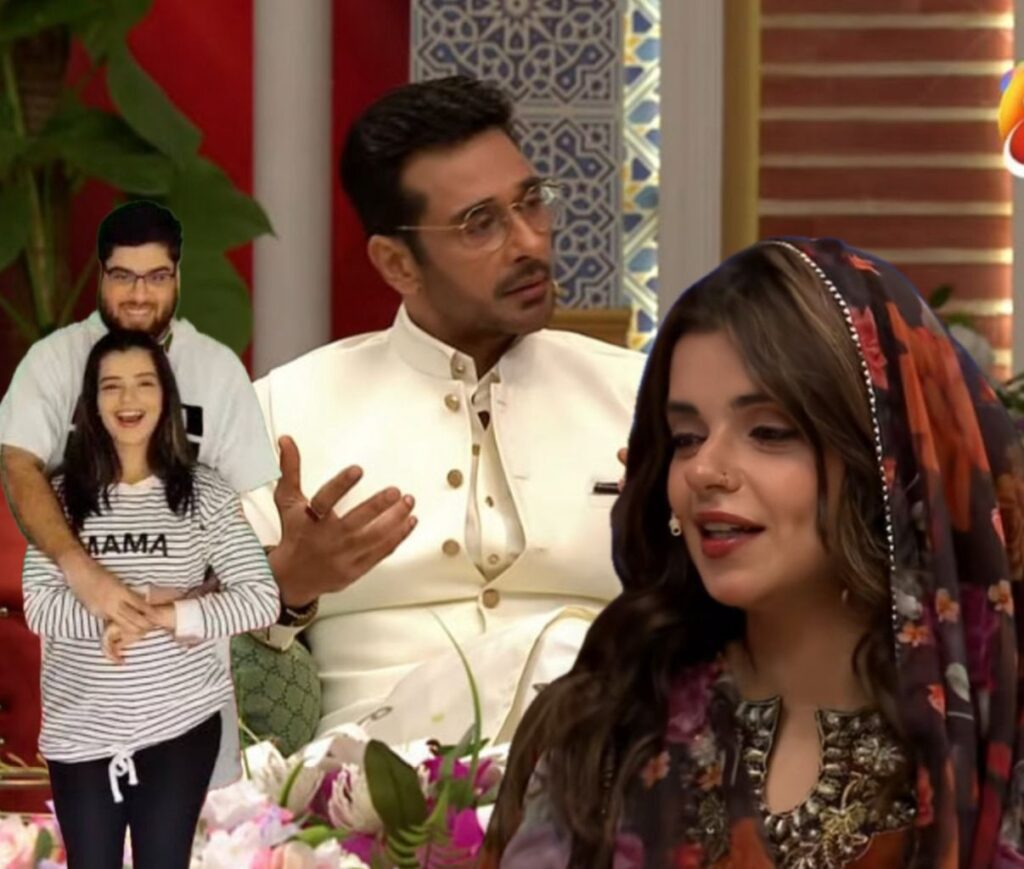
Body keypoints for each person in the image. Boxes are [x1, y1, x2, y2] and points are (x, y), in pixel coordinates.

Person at [485, 238, 1024, 867]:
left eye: (768, 432)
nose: (704, 469)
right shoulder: (603, 730)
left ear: (885, 464)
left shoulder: (994, 734)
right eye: (686, 437)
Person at [242, 75, 646, 743]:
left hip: (601, 760)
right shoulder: (287, 410)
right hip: (379, 774)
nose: (529, 243)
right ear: (397, 263)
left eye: (532, 203)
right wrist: (288, 583)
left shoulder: (641, 397)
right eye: (481, 223)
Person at [22, 329, 280, 869]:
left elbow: (260, 599)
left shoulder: (204, 493)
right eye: (111, 386)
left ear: (166, 396)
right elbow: (41, 606)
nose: (128, 399)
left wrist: (162, 616)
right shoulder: (60, 499)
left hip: (180, 723)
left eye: (144, 383)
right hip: (81, 729)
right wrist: (127, 607)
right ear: (92, 403)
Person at [0, 200, 279, 634]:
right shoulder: (52, 360)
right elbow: (19, 466)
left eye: (157, 277)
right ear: (102, 274)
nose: (139, 296)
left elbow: (253, 505)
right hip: (78, 618)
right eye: (123, 276)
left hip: (193, 626)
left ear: (177, 277)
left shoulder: (217, 369)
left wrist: (187, 603)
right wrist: (83, 572)